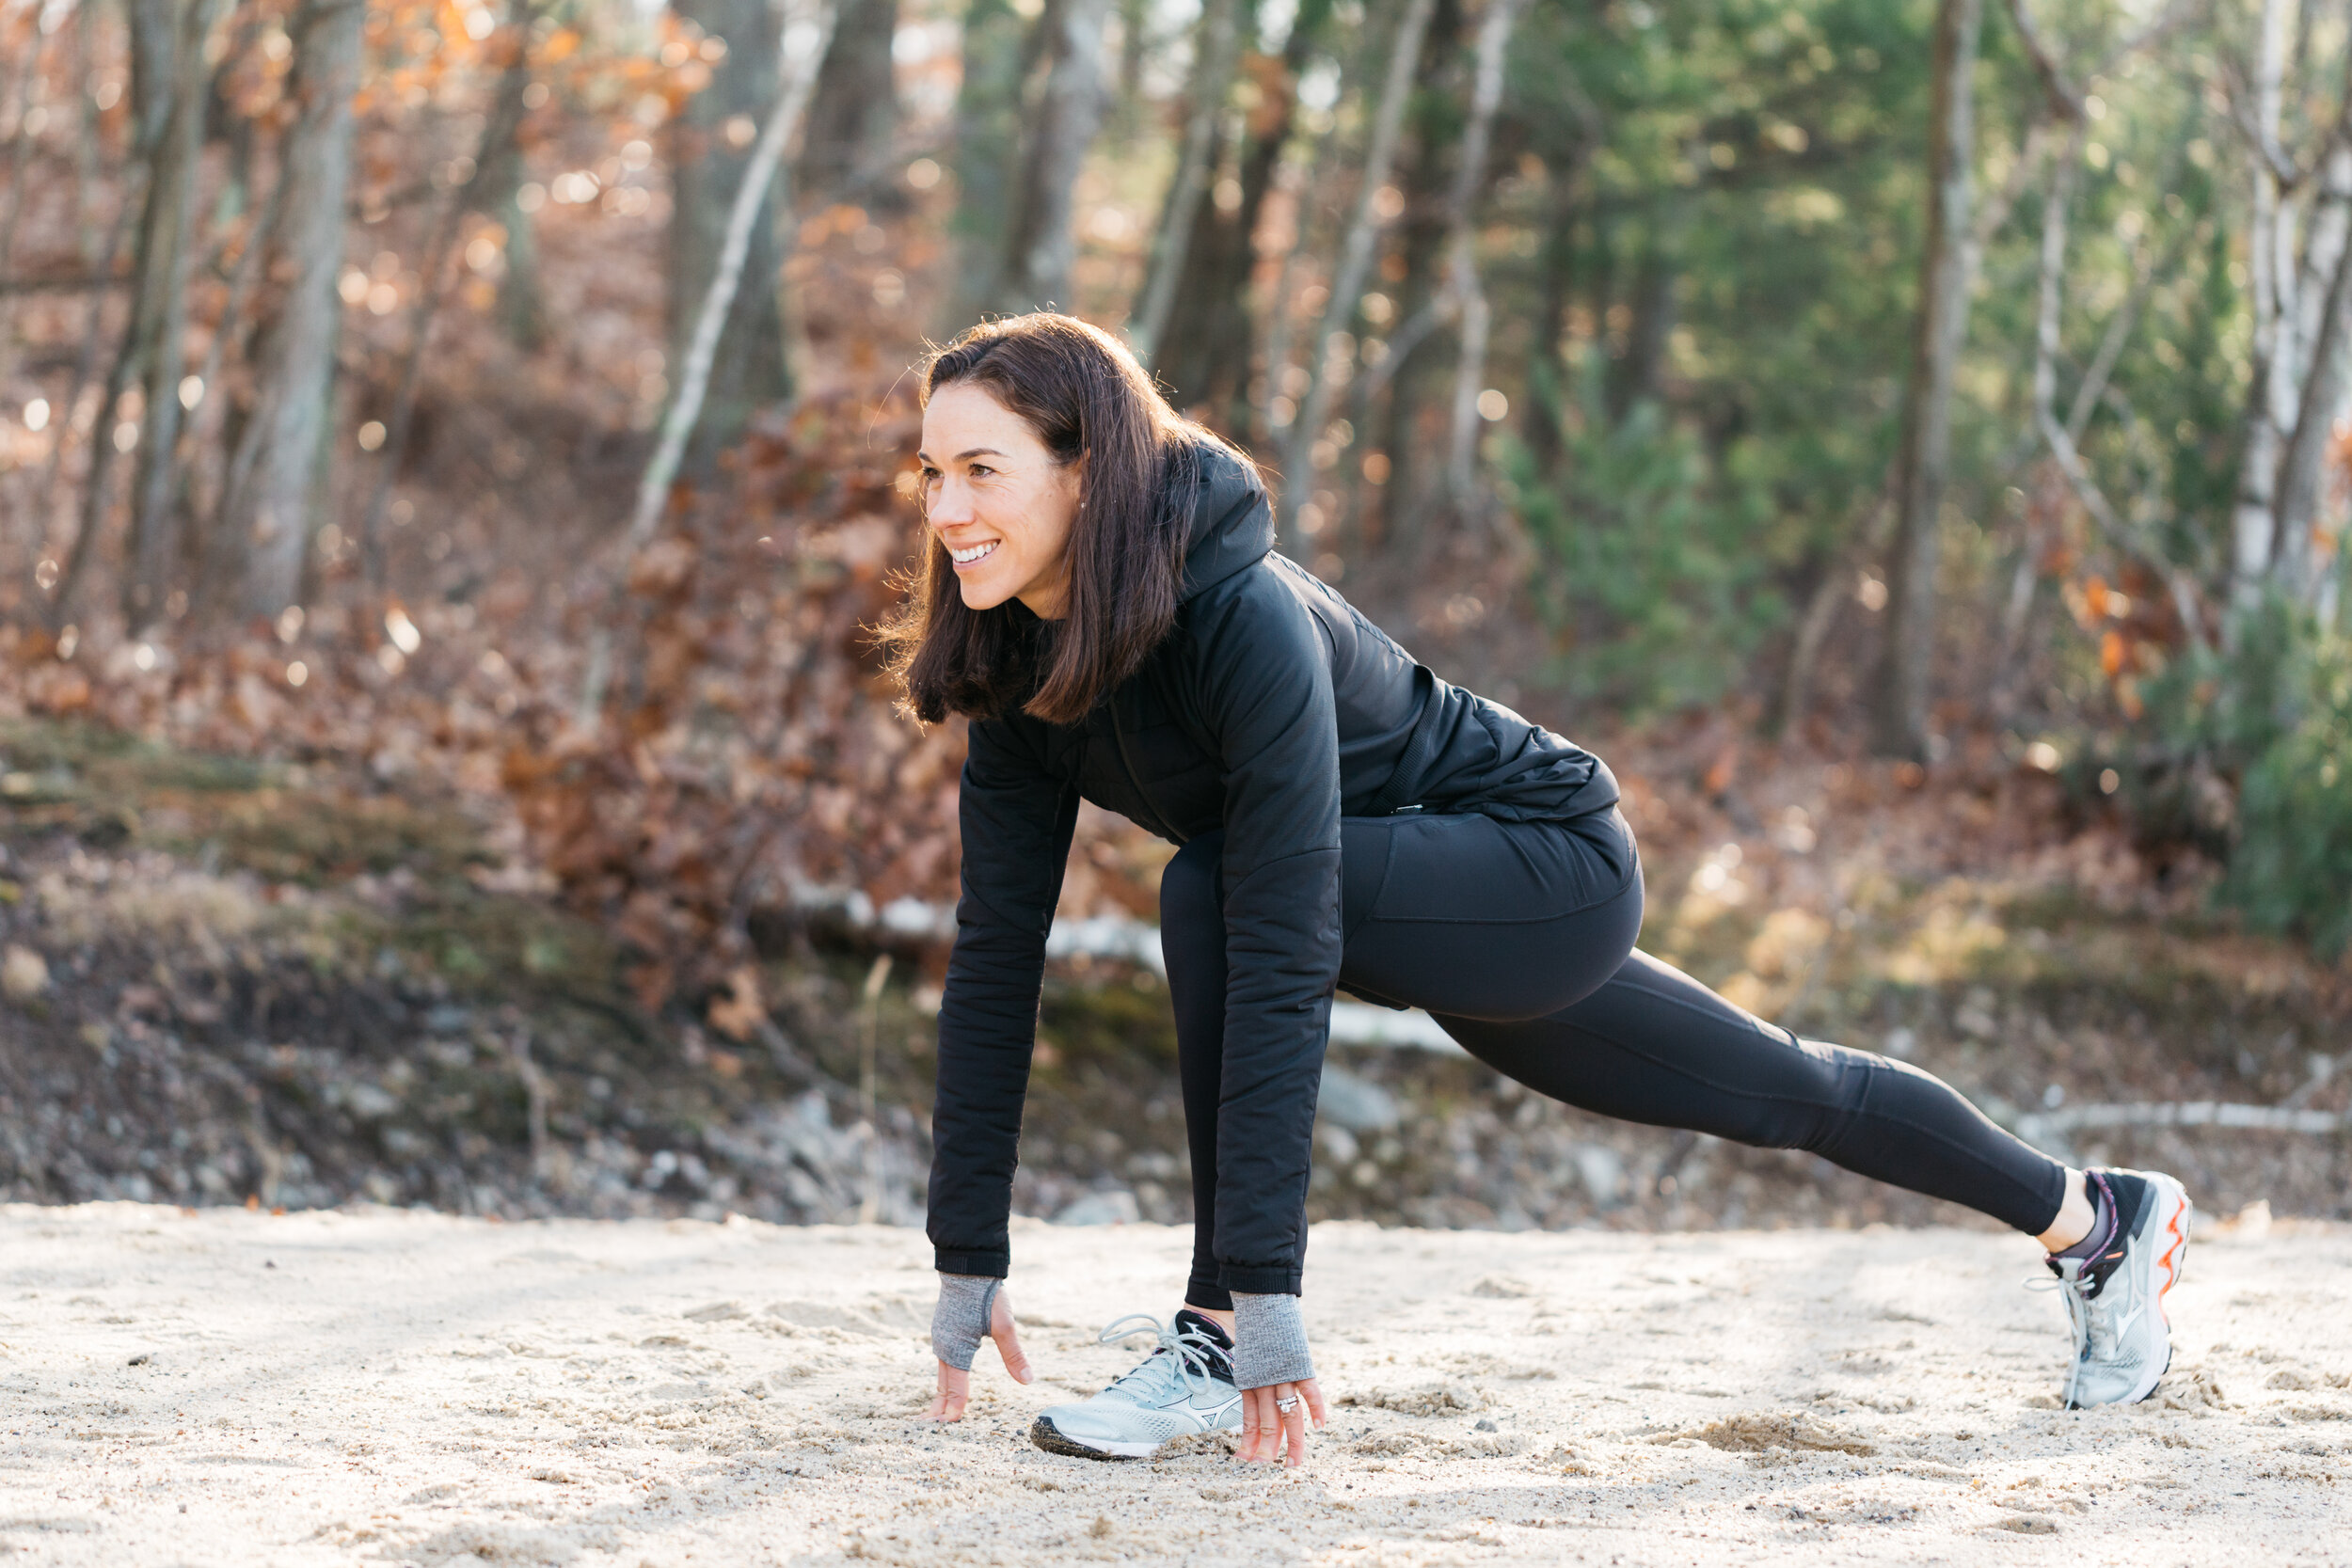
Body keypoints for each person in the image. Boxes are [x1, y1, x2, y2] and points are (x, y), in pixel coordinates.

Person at [882, 313, 2192, 1469]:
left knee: (1208, 890)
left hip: (1537, 862)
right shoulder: (1016, 665)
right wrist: (967, 1257)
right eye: (933, 474)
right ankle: (2095, 1221)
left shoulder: (1239, 619)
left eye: (982, 470)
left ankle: (1211, 1344)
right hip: (1410, 898)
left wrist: (1257, 1298)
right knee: (1776, 1086)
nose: (946, 511)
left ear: (1088, 470)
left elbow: (1277, 940)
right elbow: (1000, 951)